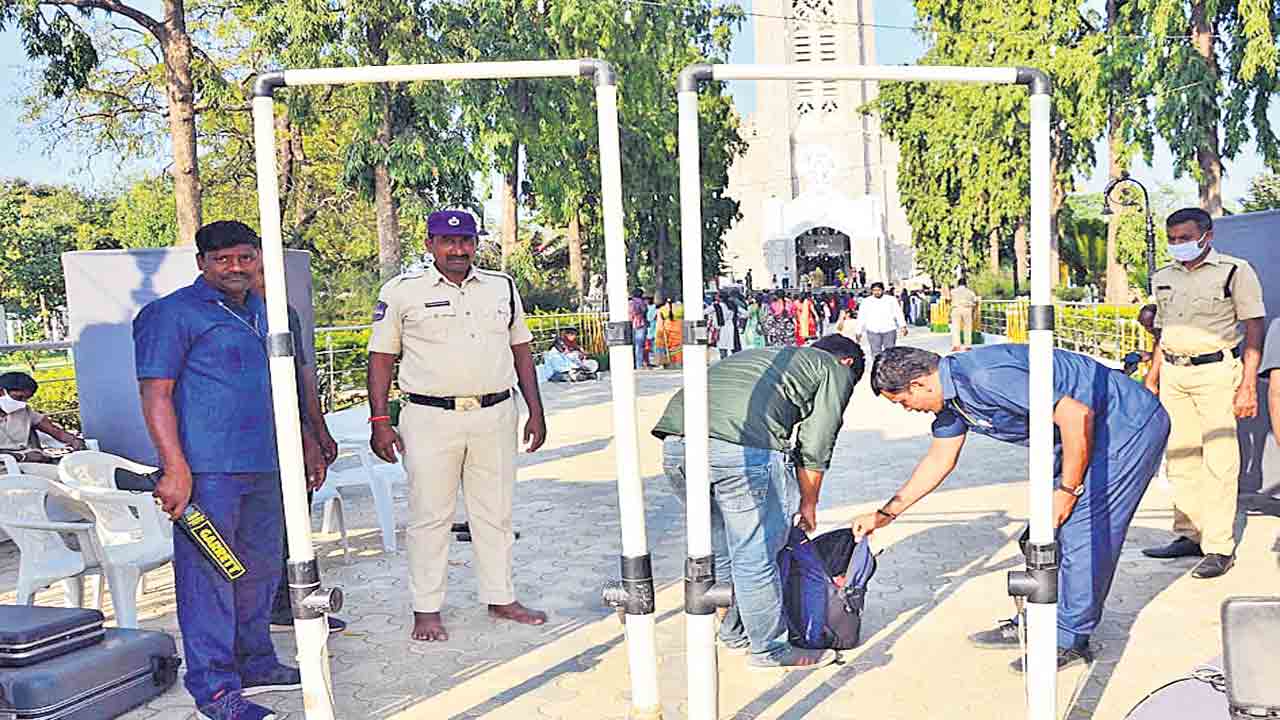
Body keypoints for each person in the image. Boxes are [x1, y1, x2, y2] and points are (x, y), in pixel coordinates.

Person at [855, 345, 1170, 673]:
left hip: (1126, 427)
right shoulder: (953, 402)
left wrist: (1067, 490)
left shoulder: (984, 377)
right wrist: (885, 514)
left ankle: (1069, 638)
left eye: (904, 402)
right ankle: (1039, 618)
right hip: (1080, 433)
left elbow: (1076, 414)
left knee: (1082, 530)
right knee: (1042, 534)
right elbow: (939, 460)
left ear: (919, 384)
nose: (908, 410)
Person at [133, 220, 299, 720]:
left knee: (261, 571)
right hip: (208, 474)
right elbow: (155, 394)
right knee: (210, 577)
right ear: (202, 262)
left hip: (268, 465)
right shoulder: (171, 314)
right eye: (222, 259)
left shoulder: (269, 314)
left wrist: (309, 442)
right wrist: (174, 467)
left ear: (257, 259)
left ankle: (256, 660)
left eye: (245, 257)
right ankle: (215, 687)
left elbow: (293, 383)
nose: (235, 268)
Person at [366, 210, 548, 643]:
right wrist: (379, 421)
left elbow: (521, 350)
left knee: (495, 512)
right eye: (447, 242)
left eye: (466, 241)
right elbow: (381, 358)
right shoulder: (402, 292)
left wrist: (536, 411)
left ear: (475, 244)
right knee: (430, 516)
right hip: (430, 419)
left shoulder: (501, 287)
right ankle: (426, 608)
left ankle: (501, 596)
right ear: (429, 243)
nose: (458, 250)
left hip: (495, 414)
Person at [652, 335, 866, 669]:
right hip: (741, 449)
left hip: (676, 444)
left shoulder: (765, 354)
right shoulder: (833, 369)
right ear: (848, 363)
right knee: (755, 554)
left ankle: (735, 631)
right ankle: (769, 650)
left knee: (721, 547)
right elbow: (817, 441)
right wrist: (808, 503)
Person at [1141, 208, 1264, 579]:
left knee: (1220, 461)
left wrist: (1247, 384)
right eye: (1172, 239)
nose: (1178, 245)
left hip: (1217, 372)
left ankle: (1219, 546)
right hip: (1175, 374)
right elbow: (1163, 331)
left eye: (1185, 237)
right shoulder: (1163, 276)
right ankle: (1189, 533)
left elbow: (1254, 326)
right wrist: (1153, 375)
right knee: (1180, 458)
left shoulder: (1233, 271)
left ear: (1206, 236)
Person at [249, 270, 348, 636]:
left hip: (292, 433)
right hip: (243, 439)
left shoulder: (284, 312)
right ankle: (258, 613)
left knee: (296, 519)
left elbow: (303, 375)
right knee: (260, 526)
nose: (253, 276)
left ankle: (289, 602)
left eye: (259, 267)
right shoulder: (218, 315)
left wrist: (318, 431)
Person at [0, 371, 87, 463]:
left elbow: (54, 431)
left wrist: (74, 440)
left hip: (29, 462)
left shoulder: (23, 411)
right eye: (19, 397)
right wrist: (22, 456)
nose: (23, 402)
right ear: (1, 392)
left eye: (26, 398)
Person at [858, 282, 908, 359]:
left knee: (890, 352)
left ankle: (890, 368)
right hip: (872, 330)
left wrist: (903, 326)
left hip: (889, 330)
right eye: (874, 290)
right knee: (876, 353)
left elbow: (898, 313)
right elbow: (861, 317)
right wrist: (859, 331)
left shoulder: (891, 300)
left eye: (878, 290)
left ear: (883, 290)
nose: (876, 292)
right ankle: (877, 369)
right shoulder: (866, 302)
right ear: (871, 291)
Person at [950, 277, 980, 352]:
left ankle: (956, 345)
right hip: (967, 309)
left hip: (956, 309)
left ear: (958, 283)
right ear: (966, 284)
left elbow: (949, 299)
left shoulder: (953, 291)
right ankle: (968, 345)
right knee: (967, 327)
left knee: (955, 327)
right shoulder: (970, 292)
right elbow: (975, 300)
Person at [711, 290, 741, 359]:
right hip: (731, 327)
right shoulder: (732, 305)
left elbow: (704, 312)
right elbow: (745, 313)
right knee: (731, 345)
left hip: (721, 327)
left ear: (719, 298)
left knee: (722, 347)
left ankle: (724, 361)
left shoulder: (716, 306)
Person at [658, 298, 684, 367]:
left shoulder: (662, 309)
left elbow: (660, 323)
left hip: (667, 329)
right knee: (679, 347)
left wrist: (660, 333)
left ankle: (672, 363)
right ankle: (679, 362)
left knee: (669, 348)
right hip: (679, 329)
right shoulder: (681, 308)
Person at [628, 288, 649, 370]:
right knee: (639, 346)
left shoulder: (629, 303)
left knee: (632, 345)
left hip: (630, 324)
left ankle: (632, 364)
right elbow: (644, 311)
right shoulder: (641, 302)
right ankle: (639, 364)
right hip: (640, 324)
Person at [645, 297, 659, 368]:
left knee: (648, 348)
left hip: (648, 331)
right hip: (653, 330)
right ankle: (655, 362)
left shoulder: (646, 308)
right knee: (654, 348)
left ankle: (649, 362)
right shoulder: (656, 309)